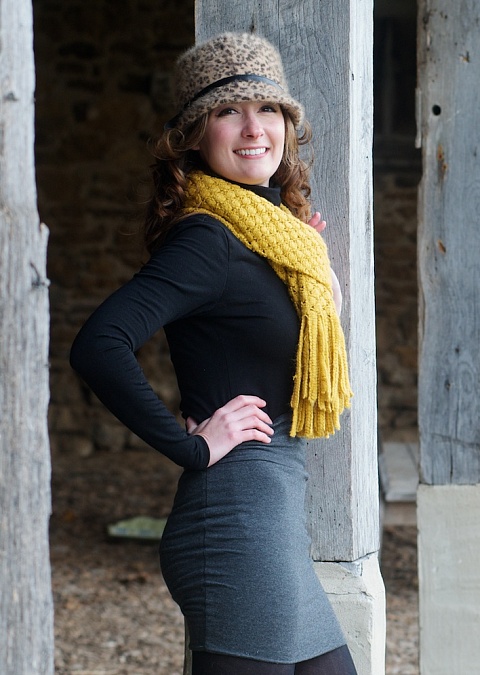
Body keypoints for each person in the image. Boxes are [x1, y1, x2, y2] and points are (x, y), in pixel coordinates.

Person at [70, 32, 357, 675]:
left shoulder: (276, 237)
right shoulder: (206, 238)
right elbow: (99, 344)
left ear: (288, 124)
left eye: (269, 110)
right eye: (229, 111)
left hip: (272, 519)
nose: (254, 127)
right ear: (196, 135)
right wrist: (190, 444)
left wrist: (309, 266)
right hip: (233, 523)